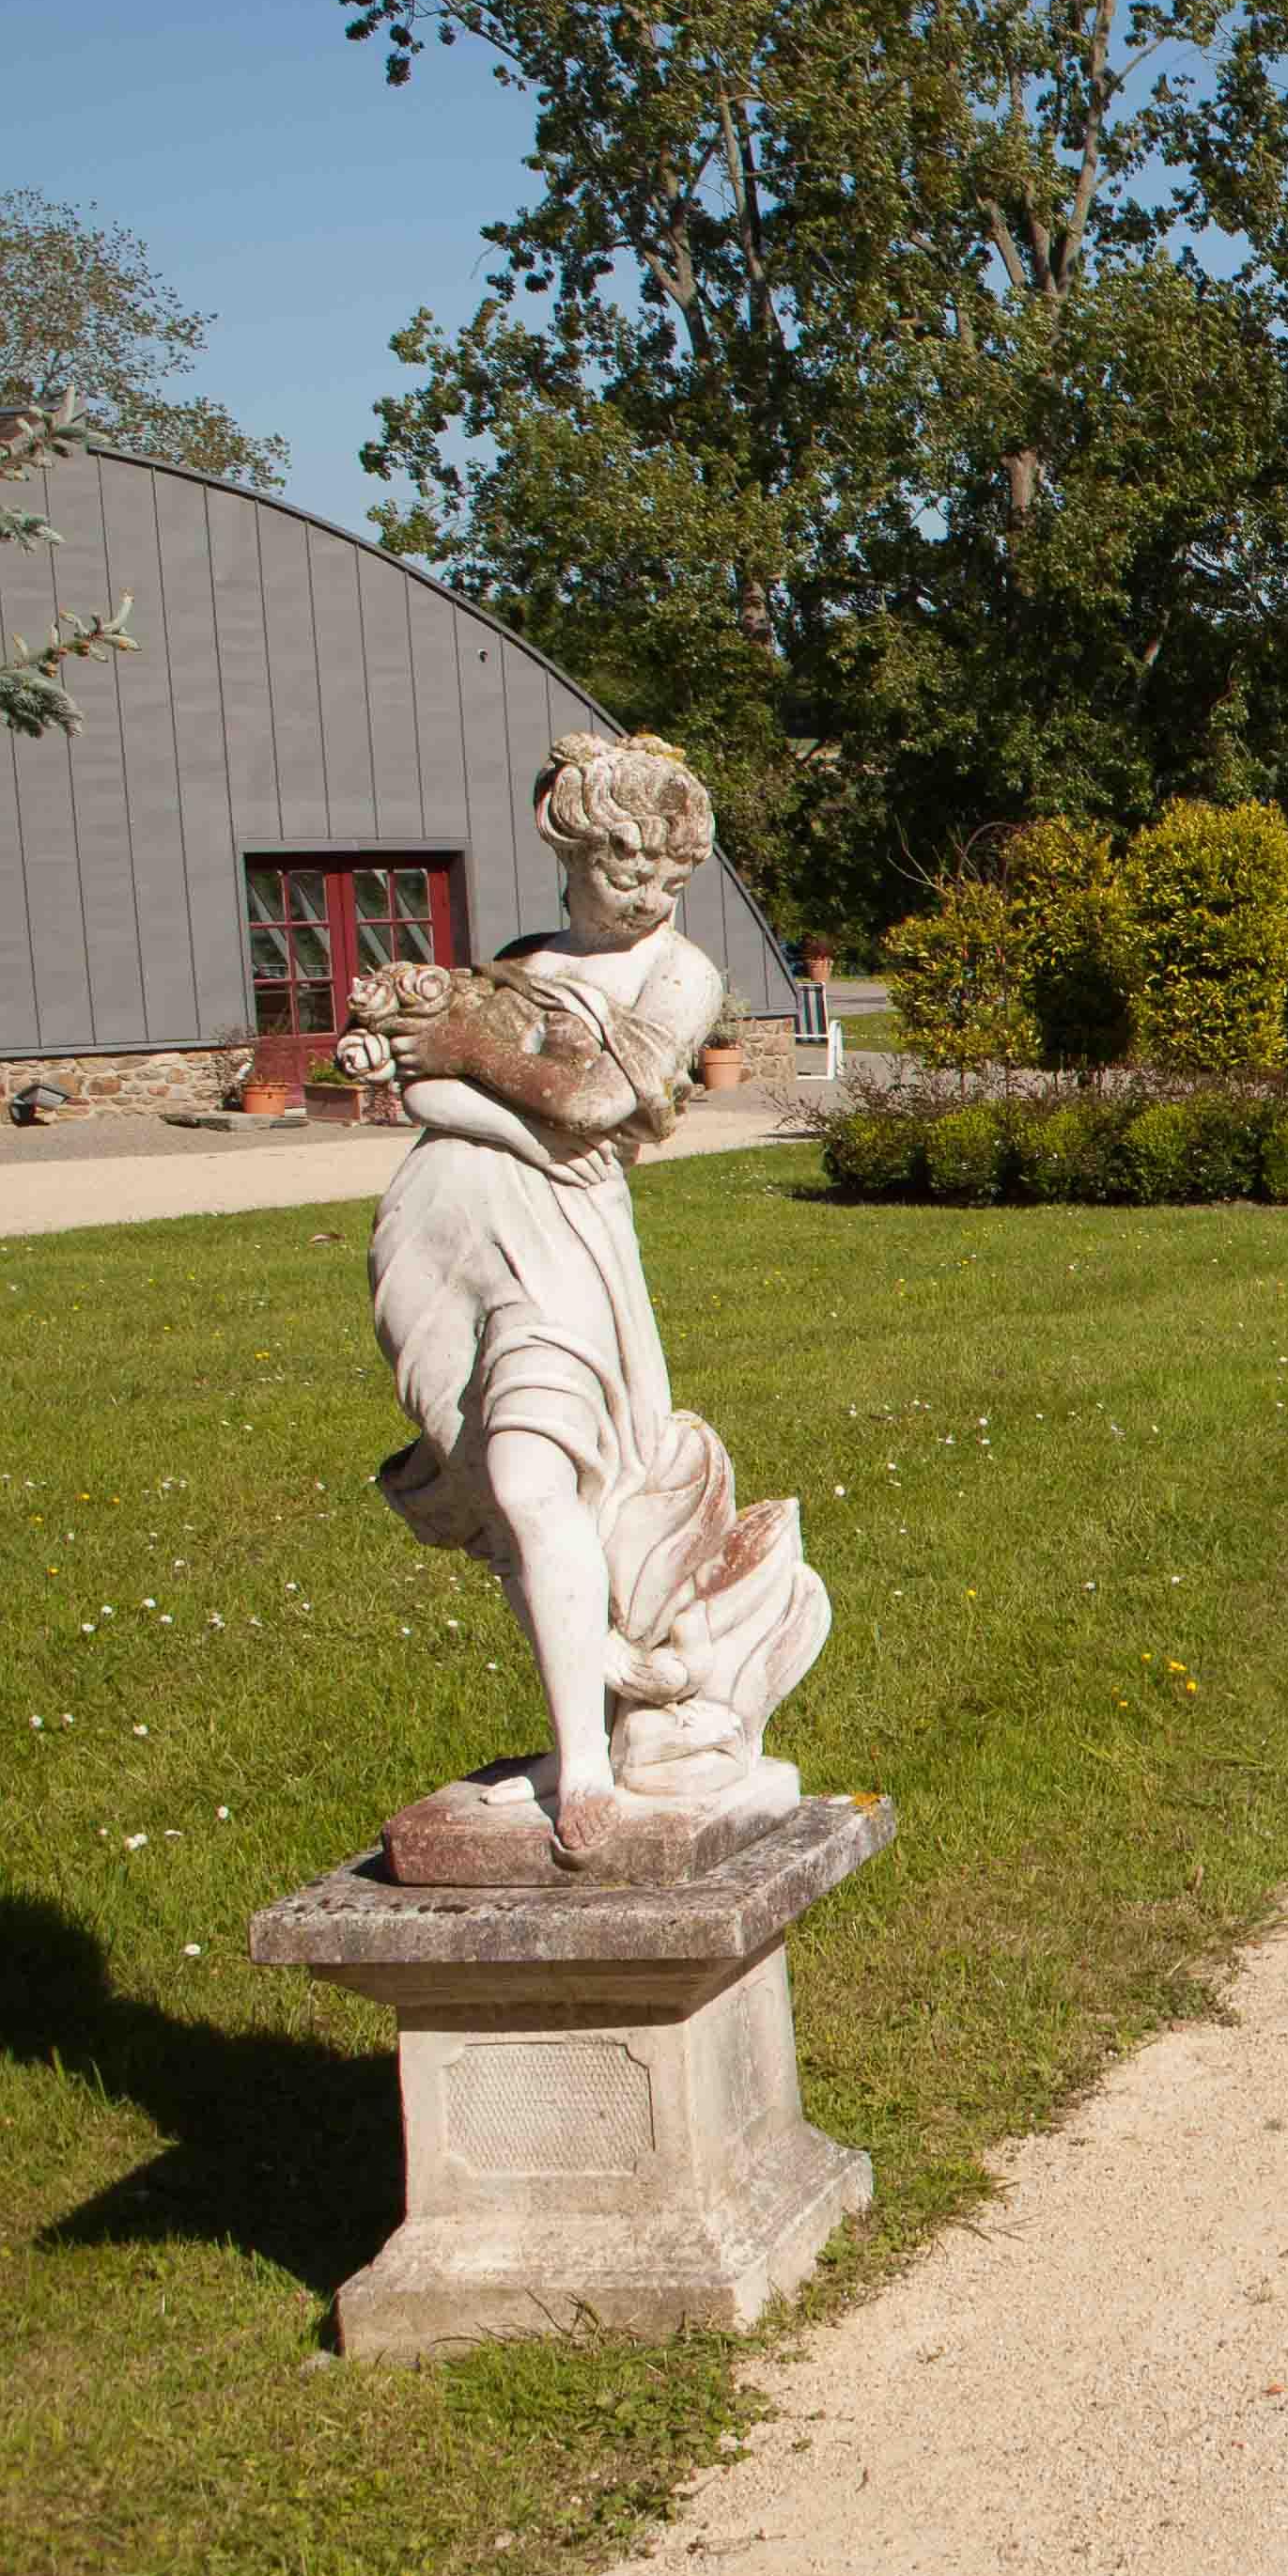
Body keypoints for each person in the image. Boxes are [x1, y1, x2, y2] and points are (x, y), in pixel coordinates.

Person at [342, 732, 827, 1864]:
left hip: (564, 1243)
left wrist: (466, 1057)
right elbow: (447, 1097)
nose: (649, 899)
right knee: (507, 1506)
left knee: (535, 1468)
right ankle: (588, 1723)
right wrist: (495, 1103)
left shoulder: (680, 974)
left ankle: (594, 1773)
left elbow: (600, 1095)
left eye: (671, 879)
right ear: (569, 851)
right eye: (626, 874)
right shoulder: (522, 961)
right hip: (443, 1233)